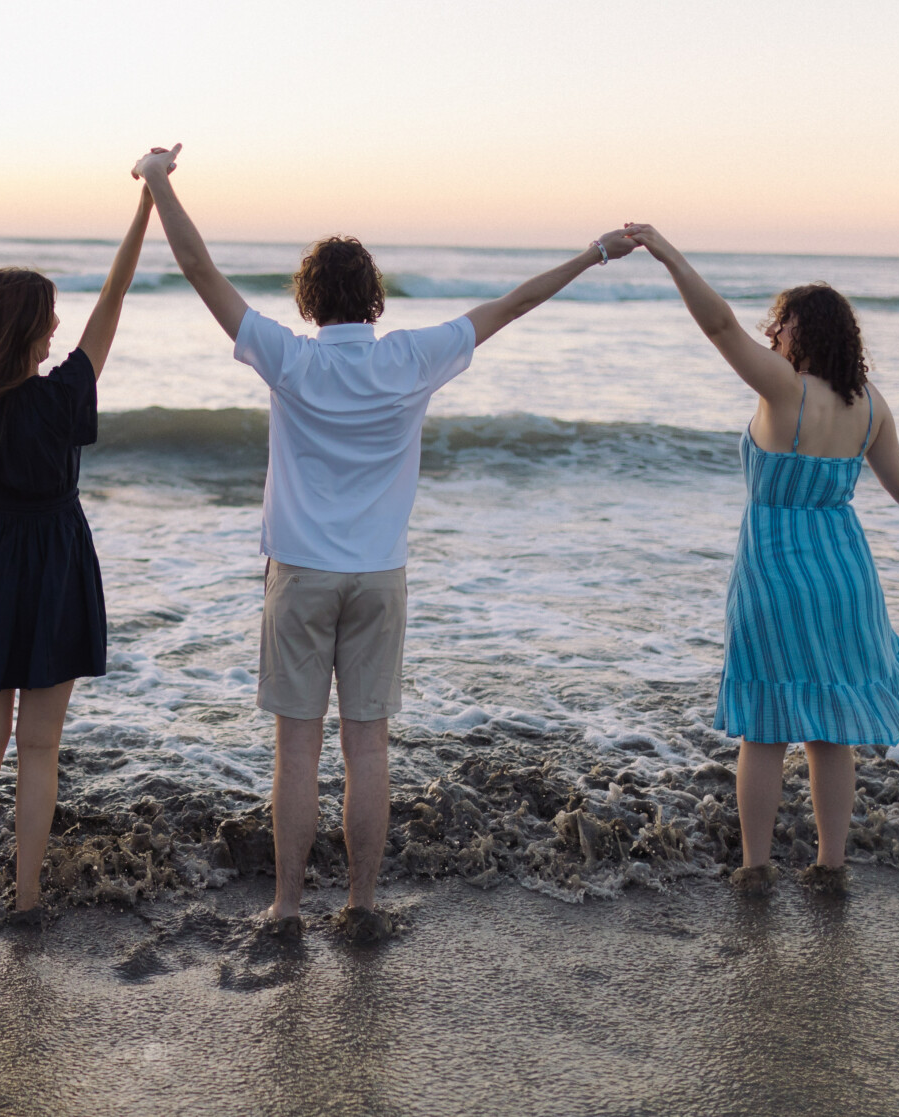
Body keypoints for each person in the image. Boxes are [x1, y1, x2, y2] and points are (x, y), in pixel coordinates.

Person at [137, 143, 642, 933]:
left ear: (309, 300)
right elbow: (512, 306)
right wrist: (592, 252)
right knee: (366, 748)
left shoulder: (291, 359)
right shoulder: (411, 357)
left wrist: (160, 181)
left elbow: (200, 271)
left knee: (295, 752)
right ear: (373, 298)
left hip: (299, 572)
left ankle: (286, 906)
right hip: (378, 574)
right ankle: (363, 903)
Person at [623, 224, 899, 895]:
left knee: (763, 727)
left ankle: (755, 869)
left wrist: (667, 254)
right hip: (844, 574)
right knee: (830, 732)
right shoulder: (868, 405)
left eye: (779, 323)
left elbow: (720, 325)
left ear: (798, 332)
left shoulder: (786, 390)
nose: (770, 332)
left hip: (775, 573)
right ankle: (830, 866)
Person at [0, 165, 153, 919]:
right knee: (41, 748)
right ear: (33, 329)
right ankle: (24, 897)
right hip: (55, 559)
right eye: (50, 318)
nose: (59, 327)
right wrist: (147, 201)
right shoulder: (63, 396)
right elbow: (114, 299)